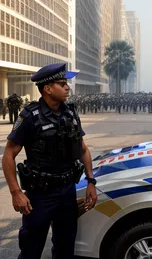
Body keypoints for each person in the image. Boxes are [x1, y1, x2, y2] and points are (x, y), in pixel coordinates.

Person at [1, 63, 98, 259]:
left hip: (67, 192)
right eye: (62, 84)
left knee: (65, 248)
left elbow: (84, 149)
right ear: (47, 88)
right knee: (31, 249)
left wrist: (91, 182)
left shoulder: (70, 113)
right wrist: (15, 192)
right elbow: (8, 155)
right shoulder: (30, 116)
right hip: (40, 195)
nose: (67, 87)